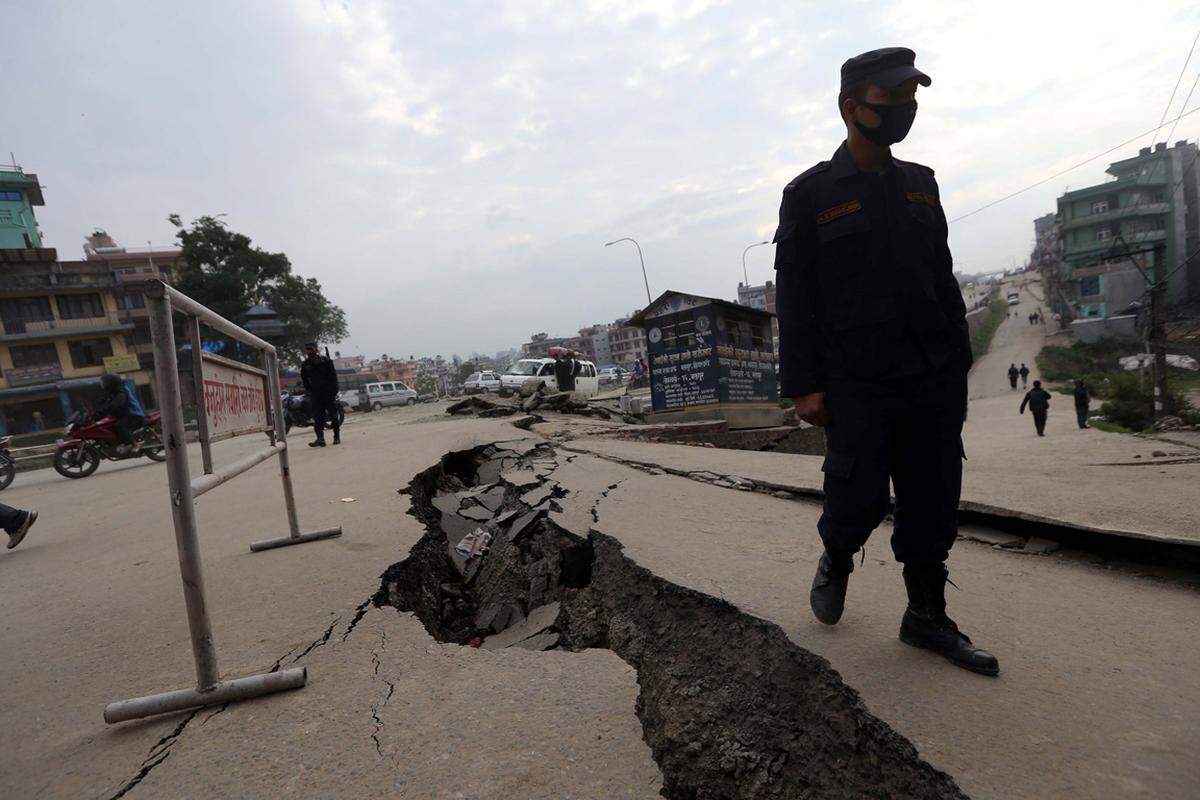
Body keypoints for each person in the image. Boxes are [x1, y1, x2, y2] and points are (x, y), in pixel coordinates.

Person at [773, 47, 997, 676]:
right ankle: (837, 555)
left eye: (911, 98)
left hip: (928, 374)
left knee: (932, 496)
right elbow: (796, 297)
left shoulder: (921, 184)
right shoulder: (810, 194)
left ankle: (925, 616)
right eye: (891, 99)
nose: (905, 110)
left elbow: (944, 280)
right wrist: (804, 385)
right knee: (857, 495)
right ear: (852, 108)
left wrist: (960, 363)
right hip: (857, 379)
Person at [300, 342, 340, 447]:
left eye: (311, 349)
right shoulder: (305, 364)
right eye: (307, 349)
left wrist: (334, 391)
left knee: (333, 416)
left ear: (316, 349)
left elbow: (333, 377)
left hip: (328, 393)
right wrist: (309, 391)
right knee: (318, 418)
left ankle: (336, 437)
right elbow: (305, 380)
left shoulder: (326, 361)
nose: (309, 351)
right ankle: (320, 439)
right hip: (316, 395)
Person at [97, 373, 144, 455]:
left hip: (133, 414)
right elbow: (107, 403)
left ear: (112, 383)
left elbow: (117, 404)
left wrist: (106, 409)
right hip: (125, 414)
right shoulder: (114, 392)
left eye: (105, 383)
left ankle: (135, 444)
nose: (103, 385)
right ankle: (122, 443)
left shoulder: (122, 391)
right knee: (108, 425)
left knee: (119, 425)